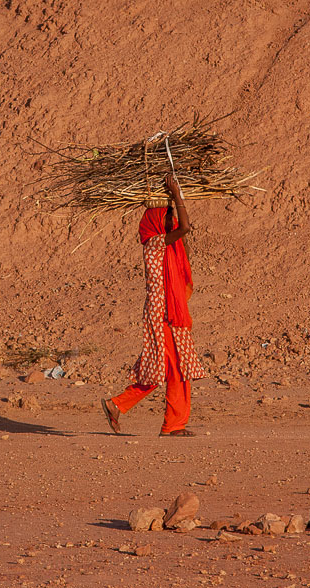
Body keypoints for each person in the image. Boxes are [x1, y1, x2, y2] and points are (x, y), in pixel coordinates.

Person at [102, 174, 205, 436]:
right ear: (157, 222)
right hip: (162, 314)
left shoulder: (171, 245)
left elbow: (185, 239)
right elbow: (184, 228)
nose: (172, 221)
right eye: (167, 217)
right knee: (169, 368)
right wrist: (177, 195)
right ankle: (169, 424)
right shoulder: (154, 244)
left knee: (175, 368)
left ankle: (124, 407)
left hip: (173, 312)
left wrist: (175, 203)